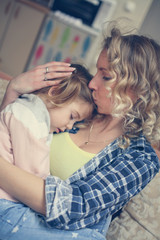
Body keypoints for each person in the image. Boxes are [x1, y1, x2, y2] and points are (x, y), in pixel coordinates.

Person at [0, 27, 160, 240]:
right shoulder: (79, 106)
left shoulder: (140, 158)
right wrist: (14, 90)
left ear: (137, 90)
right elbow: (9, 132)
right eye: (97, 72)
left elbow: (72, 208)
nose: (92, 83)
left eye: (106, 76)